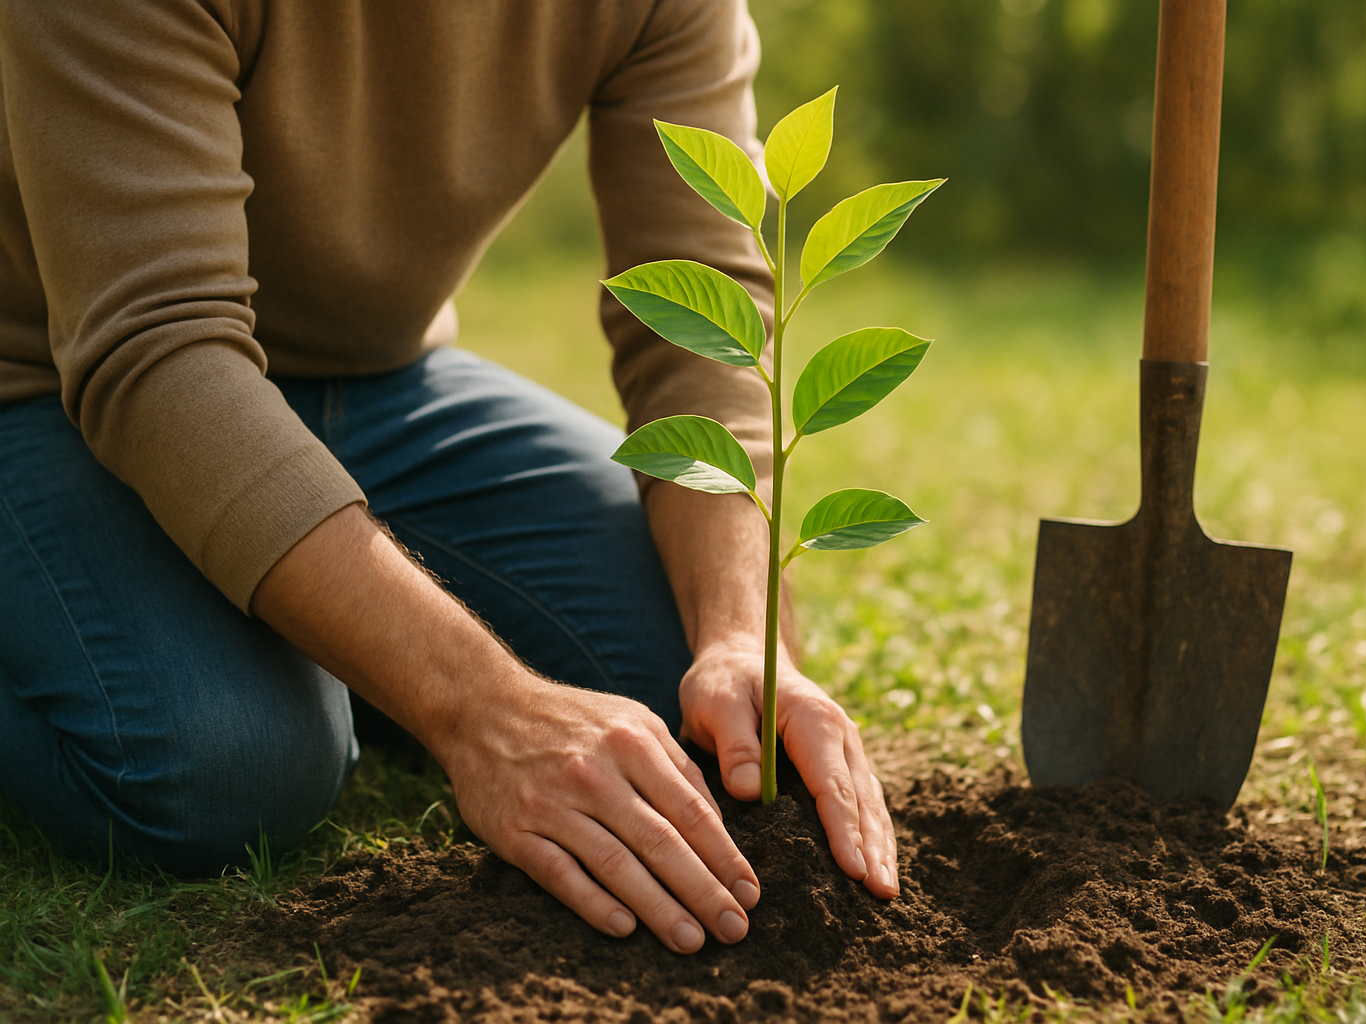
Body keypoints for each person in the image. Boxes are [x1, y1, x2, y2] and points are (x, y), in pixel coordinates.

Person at [0, 0, 898, 954]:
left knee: (689, 702)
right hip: (49, 381)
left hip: (381, 383)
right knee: (231, 767)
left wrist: (737, 633)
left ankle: (323, 632)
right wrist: (486, 713)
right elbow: (157, 352)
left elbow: (704, 313)